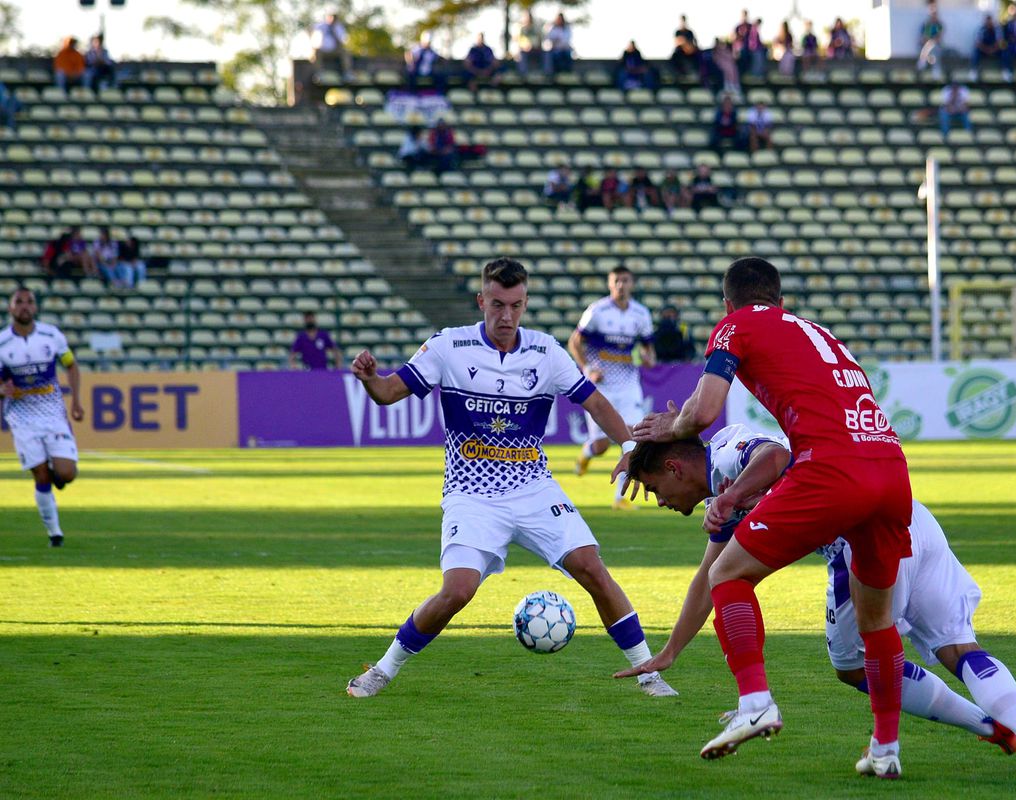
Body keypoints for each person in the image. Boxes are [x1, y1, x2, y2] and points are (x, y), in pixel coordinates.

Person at [616, 424, 1016, 776]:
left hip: (860, 536)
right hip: (909, 516)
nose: (659, 501)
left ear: (675, 468)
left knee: (853, 666)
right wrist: (671, 651)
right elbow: (710, 577)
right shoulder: (724, 493)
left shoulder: (727, 451)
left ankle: (949, 733)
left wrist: (735, 494)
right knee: (959, 648)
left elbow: (773, 455)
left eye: (655, 489)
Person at [344, 258, 677, 700]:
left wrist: (630, 448)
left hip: (533, 487)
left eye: (516, 306)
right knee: (457, 590)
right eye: (497, 305)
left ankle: (648, 674)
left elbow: (595, 403)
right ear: (482, 300)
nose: (506, 316)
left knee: (591, 567)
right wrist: (370, 378)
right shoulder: (449, 346)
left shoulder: (546, 352)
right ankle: (383, 670)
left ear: (525, 303)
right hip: (471, 493)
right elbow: (388, 393)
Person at [630, 257, 911, 773]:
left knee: (727, 573)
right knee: (877, 622)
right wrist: (684, 419)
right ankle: (885, 749)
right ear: (780, 301)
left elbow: (706, 410)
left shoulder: (735, 325)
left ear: (727, 304)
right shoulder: (814, 331)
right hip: (891, 468)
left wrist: (673, 428)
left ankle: (755, 704)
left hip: (831, 467)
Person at [0, 288, 85, 547]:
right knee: (40, 475)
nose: (25, 306)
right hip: (21, 416)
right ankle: (55, 534)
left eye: (29, 302)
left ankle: (55, 473)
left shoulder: (52, 335)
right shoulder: (2, 342)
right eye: (19, 302)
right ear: (11, 308)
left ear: (35, 308)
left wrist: (77, 401)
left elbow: (70, 364)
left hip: (52, 413)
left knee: (67, 473)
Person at [569, 265, 655, 510]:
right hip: (602, 386)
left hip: (628, 385)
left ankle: (621, 497)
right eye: (616, 281)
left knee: (633, 439)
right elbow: (575, 342)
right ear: (610, 284)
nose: (621, 285)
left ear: (632, 284)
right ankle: (586, 453)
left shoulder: (641, 314)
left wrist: (648, 358)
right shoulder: (597, 311)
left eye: (625, 280)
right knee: (601, 446)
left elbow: (648, 348)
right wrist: (587, 368)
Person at [311, 12, 351, 76]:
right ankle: (319, 74)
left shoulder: (339, 27)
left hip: (335, 51)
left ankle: (347, 73)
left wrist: (334, 31)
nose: (332, 19)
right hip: (322, 50)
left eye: (334, 17)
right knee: (316, 52)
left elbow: (343, 41)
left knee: (345, 52)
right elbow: (310, 29)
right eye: (331, 17)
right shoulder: (321, 25)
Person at [971, 15, 1004, 81]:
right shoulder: (980, 29)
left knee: (1004, 52)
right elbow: (978, 43)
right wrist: (986, 49)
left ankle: (1005, 71)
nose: (988, 23)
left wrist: (992, 49)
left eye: (990, 22)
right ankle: (974, 71)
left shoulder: (997, 29)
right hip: (984, 50)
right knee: (975, 52)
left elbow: (999, 42)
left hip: (994, 50)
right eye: (987, 22)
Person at [917, 2, 944, 75]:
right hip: (927, 44)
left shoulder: (939, 25)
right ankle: (925, 61)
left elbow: (939, 37)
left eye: (935, 14)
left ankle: (923, 60)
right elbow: (924, 37)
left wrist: (932, 41)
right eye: (932, 14)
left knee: (933, 47)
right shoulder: (926, 24)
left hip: (935, 45)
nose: (933, 16)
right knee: (928, 45)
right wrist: (929, 41)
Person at [516, 11, 540, 75]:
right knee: (522, 54)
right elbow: (520, 41)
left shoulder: (536, 28)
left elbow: (538, 41)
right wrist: (526, 46)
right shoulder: (522, 29)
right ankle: (523, 74)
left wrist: (532, 45)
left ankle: (546, 74)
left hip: (536, 50)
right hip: (525, 50)